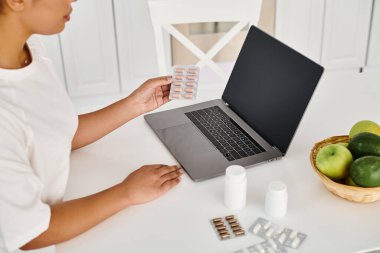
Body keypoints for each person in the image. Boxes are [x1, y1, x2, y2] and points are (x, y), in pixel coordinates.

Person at [0, 0, 183, 252]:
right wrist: (126, 192)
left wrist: (135, 105)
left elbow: (58, 134)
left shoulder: (28, 48)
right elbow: (31, 232)